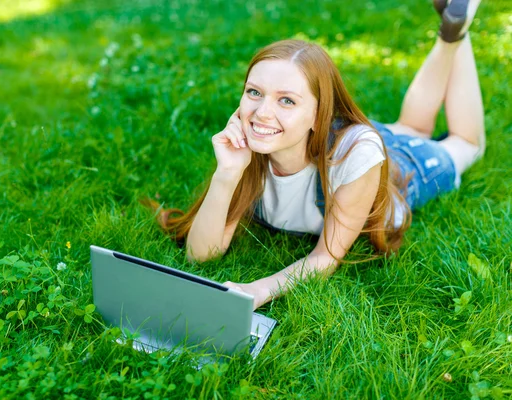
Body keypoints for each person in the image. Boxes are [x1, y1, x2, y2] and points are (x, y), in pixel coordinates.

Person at [150, 0, 484, 309]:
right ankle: (449, 31)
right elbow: (201, 256)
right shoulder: (250, 148)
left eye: (286, 100)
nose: (262, 113)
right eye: (255, 92)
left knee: (466, 143)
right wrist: (227, 174)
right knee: (410, 125)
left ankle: (458, 32)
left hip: (398, 169)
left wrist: (259, 289)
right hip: (340, 140)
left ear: (318, 114)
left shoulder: (357, 157)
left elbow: (326, 257)